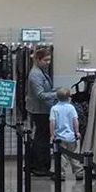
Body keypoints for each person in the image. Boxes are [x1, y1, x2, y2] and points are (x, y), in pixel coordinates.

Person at [24, 47, 55, 175]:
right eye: (45, 60)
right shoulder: (36, 74)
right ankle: (40, 166)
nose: (48, 62)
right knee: (42, 139)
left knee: (40, 137)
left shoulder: (40, 72)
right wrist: (57, 94)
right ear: (37, 59)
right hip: (40, 111)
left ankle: (35, 165)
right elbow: (40, 95)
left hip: (42, 109)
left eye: (49, 60)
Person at [50, 88, 81, 180]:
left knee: (62, 157)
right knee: (74, 155)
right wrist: (77, 132)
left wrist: (52, 135)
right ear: (68, 97)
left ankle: (61, 174)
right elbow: (75, 121)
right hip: (71, 137)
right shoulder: (71, 108)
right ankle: (79, 172)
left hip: (60, 137)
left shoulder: (54, 108)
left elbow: (52, 122)